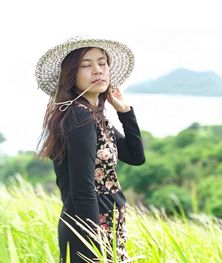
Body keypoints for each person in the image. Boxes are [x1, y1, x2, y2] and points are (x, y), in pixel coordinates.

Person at [35, 36, 145, 262]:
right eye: (86, 65)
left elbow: (136, 157)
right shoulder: (80, 117)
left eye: (102, 63)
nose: (97, 70)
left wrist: (124, 112)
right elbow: (83, 191)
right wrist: (96, 248)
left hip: (104, 230)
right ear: (71, 75)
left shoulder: (94, 117)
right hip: (90, 234)